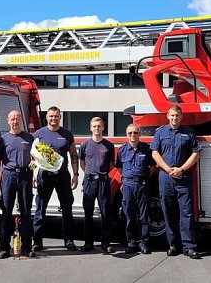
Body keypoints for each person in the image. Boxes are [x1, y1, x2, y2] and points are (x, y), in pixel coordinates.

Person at [151, 105, 202, 259]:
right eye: (172, 115)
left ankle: (189, 247)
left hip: (183, 177)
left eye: (177, 116)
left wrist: (181, 169)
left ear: (181, 117)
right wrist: (168, 169)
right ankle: (173, 245)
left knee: (186, 213)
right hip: (166, 178)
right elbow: (155, 152)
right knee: (168, 211)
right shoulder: (160, 133)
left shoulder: (189, 133)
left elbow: (196, 153)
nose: (174, 118)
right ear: (167, 116)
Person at [32, 106, 79, 252]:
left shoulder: (67, 134)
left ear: (60, 117)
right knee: (40, 208)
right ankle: (37, 241)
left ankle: (69, 240)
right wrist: (34, 174)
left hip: (62, 175)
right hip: (44, 175)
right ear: (46, 117)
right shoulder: (39, 134)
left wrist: (75, 174)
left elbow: (73, 155)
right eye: (51, 116)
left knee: (67, 208)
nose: (54, 118)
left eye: (56, 116)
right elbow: (33, 156)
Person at [0, 110, 36, 259]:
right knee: (6, 213)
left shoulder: (30, 138)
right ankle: (4, 248)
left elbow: (35, 159)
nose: (15, 121)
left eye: (17, 119)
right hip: (9, 175)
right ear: (8, 121)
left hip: (25, 175)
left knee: (26, 212)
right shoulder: (3, 140)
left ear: (21, 121)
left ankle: (26, 247)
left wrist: (34, 173)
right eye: (12, 119)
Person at [78, 117, 116, 253]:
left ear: (103, 128)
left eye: (99, 126)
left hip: (103, 181)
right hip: (89, 182)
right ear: (90, 128)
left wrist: (101, 174)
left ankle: (105, 243)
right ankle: (88, 243)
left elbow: (111, 164)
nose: (96, 129)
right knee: (88, 214)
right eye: (94, 126)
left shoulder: (109, 145)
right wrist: (89, 173)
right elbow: (82, 162)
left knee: (105, 213)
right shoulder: (85, 145)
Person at [115, 123, 154, 255]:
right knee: (129, 216)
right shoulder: (122, 150)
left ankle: (144, 243)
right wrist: (126, 180)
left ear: (139, 134)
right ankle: (131, 243)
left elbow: (152, 167)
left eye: (135, 133)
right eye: (130, 133)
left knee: (143, 216)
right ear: (127, 135)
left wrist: (143, 179)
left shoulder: (146, 149)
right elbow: (119, 167)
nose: (133, 135)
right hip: (128, 185)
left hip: (142, 185)